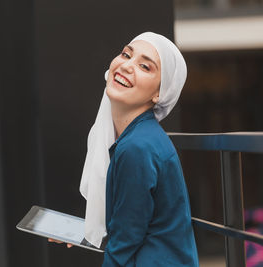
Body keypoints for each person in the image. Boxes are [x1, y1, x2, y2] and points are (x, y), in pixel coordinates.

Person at [51, 32, 199, 266]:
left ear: (159, 93)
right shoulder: (140, 137)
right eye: (126, 54)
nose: (127, 66)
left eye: (144, 66)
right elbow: (134, 224)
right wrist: (84, 231)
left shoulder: (137, 148)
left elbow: (123, 247)